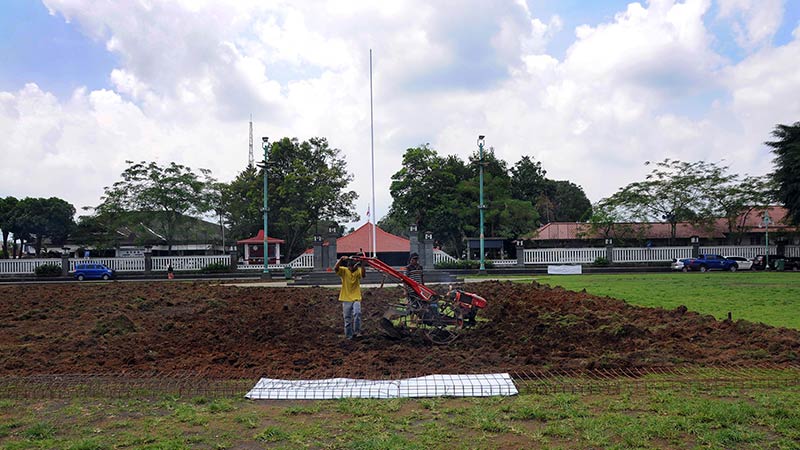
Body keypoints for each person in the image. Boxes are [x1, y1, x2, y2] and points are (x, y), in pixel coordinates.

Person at [334, 254, 366, 339]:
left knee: (357, 313)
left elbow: (363, 275)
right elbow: (336, 268)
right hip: (346, 297)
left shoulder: (358, 271)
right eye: (349, 267)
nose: (351, 268)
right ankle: (349, 336)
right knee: (347, 318)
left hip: (356, 297)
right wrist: (341, 259)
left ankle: (357, 332)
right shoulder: (344, 271)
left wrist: (363, 263)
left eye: (352, 267)